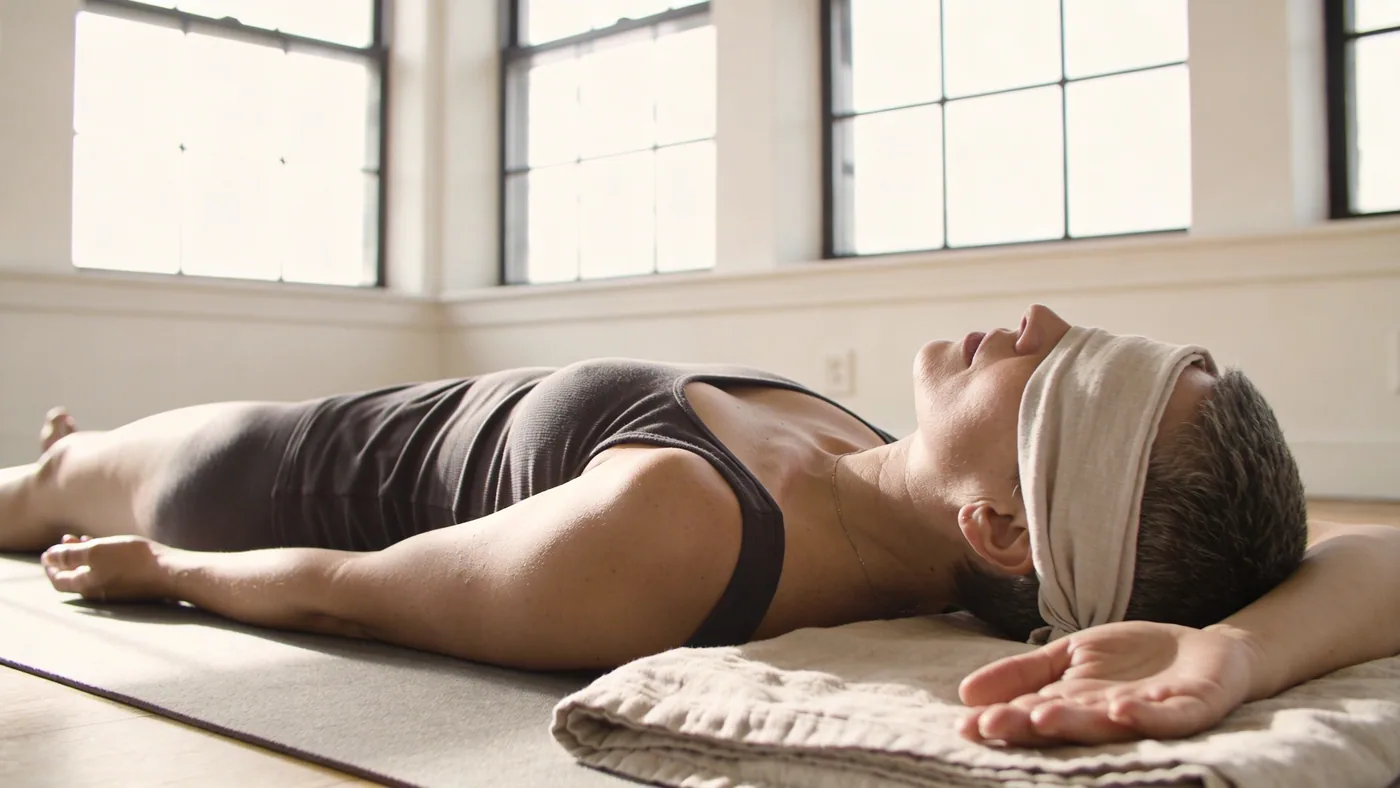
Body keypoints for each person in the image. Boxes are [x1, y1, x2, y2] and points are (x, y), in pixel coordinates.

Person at [0, 305, 1323, 716]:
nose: (1037, 320)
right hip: (360, 406)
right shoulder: (880, 469)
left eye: (1068, 369)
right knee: (79, 450)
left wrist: (166, 567)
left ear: (1003, 534)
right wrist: (1241, 653)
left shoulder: (681, 536)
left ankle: (72, 458)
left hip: (251, 479)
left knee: (33, 490)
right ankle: (83, 443)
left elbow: (355, 586)